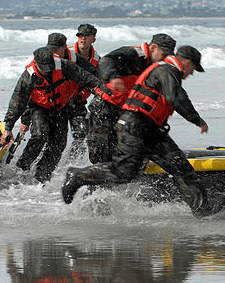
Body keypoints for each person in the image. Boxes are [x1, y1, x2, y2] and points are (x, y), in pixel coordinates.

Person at [61, 46, 210, 217]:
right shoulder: (166, 70)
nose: (191, 73)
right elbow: (175, 97)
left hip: (152, 130)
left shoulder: (169, 73)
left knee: (180, 166)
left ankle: (202, 211)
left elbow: (176, 96)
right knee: (123, 172)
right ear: (187, 62)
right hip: (134, 127)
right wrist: (197, 120)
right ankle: (77, 176)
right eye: (193, 69)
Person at [0, 43, 115, 183]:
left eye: (50, 68)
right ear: (36, 63)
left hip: (61, 108)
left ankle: (42, 176)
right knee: (39, 135)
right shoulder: (28, 76)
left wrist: (102, 88)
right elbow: (17, 102)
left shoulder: (63, 65)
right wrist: (8, 128)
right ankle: (21, 168)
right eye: (44, 69)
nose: (48, 71)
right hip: (39, 108)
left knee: (59, 144)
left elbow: (84, 76)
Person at [86, 33, 177, 164]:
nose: (164, 59)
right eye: (163, 54)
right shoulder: (132, 53)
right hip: (104, 107)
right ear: (153, 48)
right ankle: (92, 178)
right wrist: (113, 76)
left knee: (132, 147)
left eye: (167, 56)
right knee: (100, 153)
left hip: (125, 110)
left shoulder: (156, 67)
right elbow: (106, 61)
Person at [65, 24, 101, 160]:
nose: (82, 39)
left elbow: (99, 84)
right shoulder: (66, 54)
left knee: (82, 133)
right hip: (59, 102)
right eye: (80, 36)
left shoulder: (97, 60)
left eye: (86, 36)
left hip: (78, 103)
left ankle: (71, 164)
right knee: (53, 137)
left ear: (93, 39)